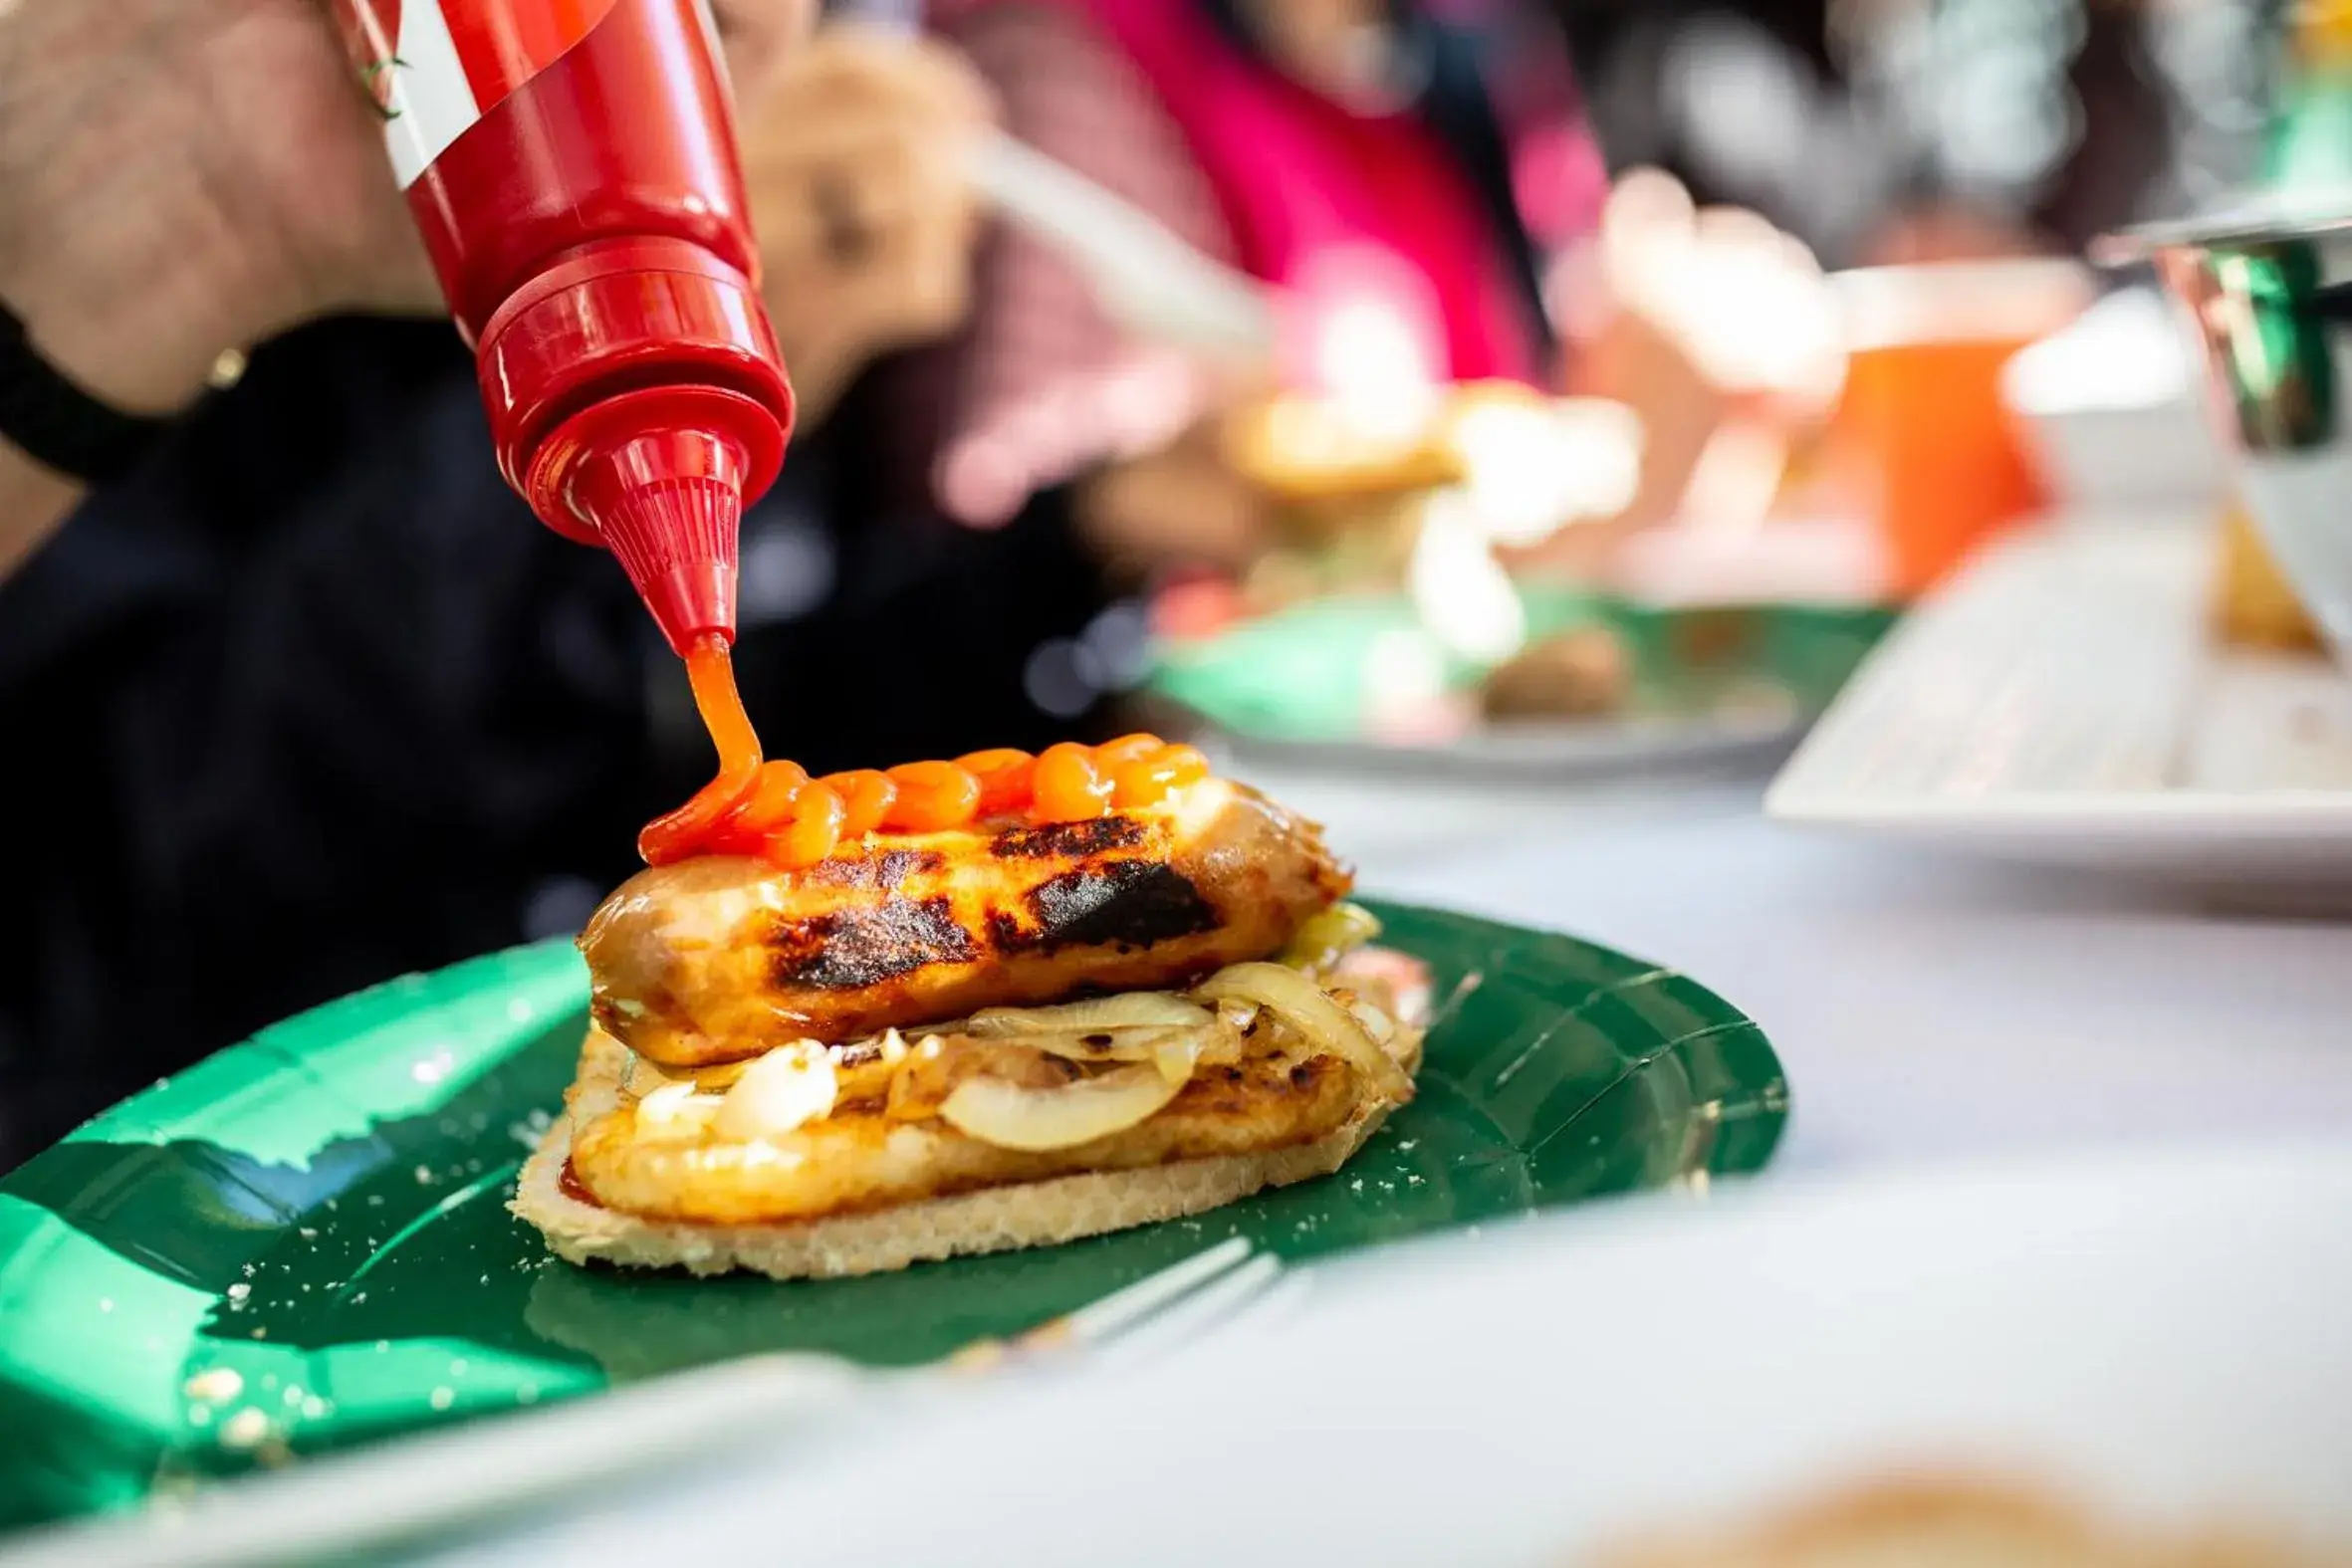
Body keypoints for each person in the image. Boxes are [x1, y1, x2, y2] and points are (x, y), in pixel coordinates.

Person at [0, 5, 1088, 1170]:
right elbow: (138, 882)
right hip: (182, 1162)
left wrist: (1073, 551)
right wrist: (558, 366)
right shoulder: (230, 133)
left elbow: (751, 744)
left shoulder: (766, 132)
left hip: (567, 1094)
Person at [913, 0, 1838, 577]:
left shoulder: (1473, 48)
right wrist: (1140, 496)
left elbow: (1572, 362)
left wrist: (1675, 328)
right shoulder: (1067, 47)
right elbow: (1014, 516)